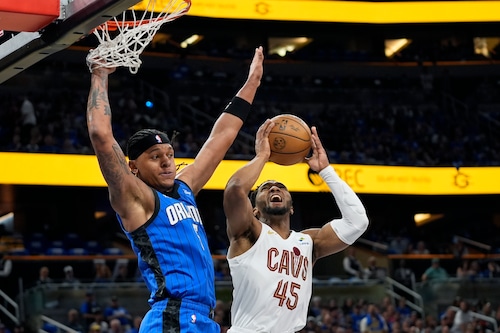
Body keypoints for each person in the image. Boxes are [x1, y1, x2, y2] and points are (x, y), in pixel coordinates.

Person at [85, 46, 264, 333]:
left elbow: (222, 136)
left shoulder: (184, 188)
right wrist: (99, 74)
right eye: (155, 157)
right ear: (134, 167)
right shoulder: (136, 199)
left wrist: (252, 83)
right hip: (172, 316)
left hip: (203, 319)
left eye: (169, 154)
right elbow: (101, 136)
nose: (167, 162)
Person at [222, 120, 369, 333]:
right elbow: (235, 189)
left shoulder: (308, 243)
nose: (275, 188)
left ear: (291, 208)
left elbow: (358, 222)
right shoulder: (248, 233)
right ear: (255, 211)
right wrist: (262, 156)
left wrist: (326, 171)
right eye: (266, 188)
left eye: (281, 187)